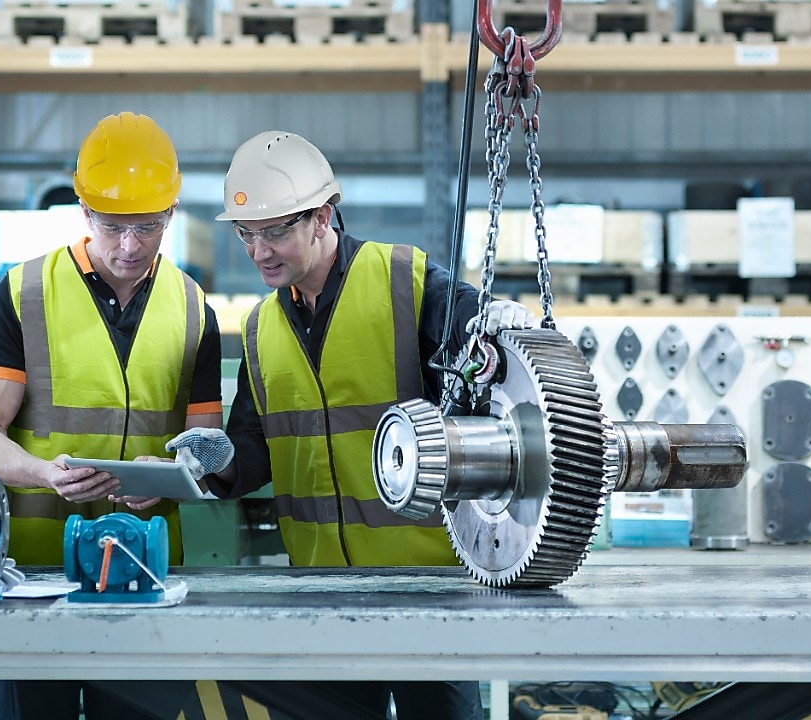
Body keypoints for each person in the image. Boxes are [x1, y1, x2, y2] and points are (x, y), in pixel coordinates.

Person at [165, 130, 536, 720]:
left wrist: (499, 328)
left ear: (322, 217)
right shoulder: (260, 328)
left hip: (426, 589)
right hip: (321, 594)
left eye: (275, 231)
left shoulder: (404, 281)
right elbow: (256, 448)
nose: (259, 251)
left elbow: (478, 340)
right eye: (247, 234)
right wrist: (221, 460)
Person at [0, 112, 223, 720]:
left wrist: (170, 475)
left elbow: (207, 447)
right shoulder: (24, 294)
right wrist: (44, 473)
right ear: (84, 211)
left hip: (145, 577)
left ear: (171, 213)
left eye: (146, 226)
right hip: (31, 581)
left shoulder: (193, 309)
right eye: (112, 225)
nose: (129, 245)